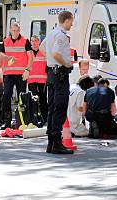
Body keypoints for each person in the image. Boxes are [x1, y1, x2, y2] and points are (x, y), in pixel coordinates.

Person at [44, 11, 75, 154]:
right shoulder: (61, 36)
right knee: (60, 107)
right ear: (66, 20)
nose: (72, 24)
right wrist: (66, 65)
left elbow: (43, 48)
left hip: (51, 73)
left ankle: (51, 143)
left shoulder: (51, 33)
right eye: (71, 21)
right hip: (60, 75)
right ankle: (56, 142)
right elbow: (56, 53)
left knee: (52, 108)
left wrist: (51, 62)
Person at [0, 23, 34, 129]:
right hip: (8, 74)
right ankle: (7, 121)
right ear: (10, 30)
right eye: (13, 30)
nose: (15, 32)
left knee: (21, 98)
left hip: (21, 74)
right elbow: (0, 58)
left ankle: (21, 120)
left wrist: (27, 70)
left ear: (19, 30)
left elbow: (30, 57)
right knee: (6, 97)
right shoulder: (5, 41)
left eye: (17, 30)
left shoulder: (25, 41)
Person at [27, 35, 48, 122]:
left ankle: (44, 117)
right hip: (31, 80)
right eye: (32, 41)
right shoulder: (29, 52)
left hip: (42, 80)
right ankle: (34, 117)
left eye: (36, 40)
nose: (34, 42)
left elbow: (47, 65)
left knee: (43, 99)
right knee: (33, 100)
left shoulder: (43, 52)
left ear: (39, 42)